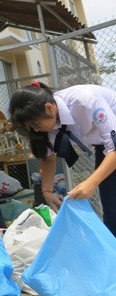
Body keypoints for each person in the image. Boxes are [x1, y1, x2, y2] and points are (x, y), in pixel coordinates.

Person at [9, 81, 116, 237]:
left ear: (49, 108)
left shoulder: (84, 100)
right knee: (112, 211)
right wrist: (47, 192)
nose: (35, 129)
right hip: (106, 148)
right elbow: (47, 158)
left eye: (35, 123)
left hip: (113, 147)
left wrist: (90, 183)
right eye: (30, 127)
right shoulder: (48, 122)